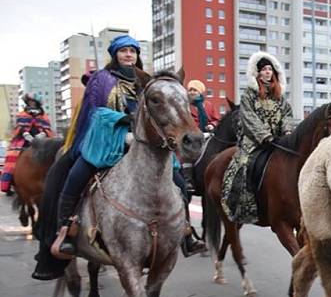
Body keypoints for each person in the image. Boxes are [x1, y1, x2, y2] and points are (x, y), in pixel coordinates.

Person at [32, 35, 204, 279]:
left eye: (133, 51)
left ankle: (185, 233)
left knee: (178, 183)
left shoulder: (147, 82)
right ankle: (65, 231)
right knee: (73, 176)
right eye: (124, 51)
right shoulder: (102, 79)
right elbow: (95, 112)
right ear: (115, 55)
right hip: (108, 142)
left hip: (144, 145)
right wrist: (124, 123)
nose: (129, 55)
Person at [220, 51, 292, 224]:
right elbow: (249, 118)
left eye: (270, 69)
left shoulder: (280, 98)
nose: (267, 72)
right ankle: (242, 205)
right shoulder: (249, 96)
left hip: (278, 141)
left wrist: (288, 133)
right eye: (264, 69)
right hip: (254, 142)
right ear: (258, 73)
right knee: (243, 165)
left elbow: (287, 115)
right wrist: (265, 137)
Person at [1, 93, 54, 194]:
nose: (31, 103)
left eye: (33, 102)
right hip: (23, 140)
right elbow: (19, 127)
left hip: (41, 140)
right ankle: (9, 182)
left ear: (37, 103)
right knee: (13, 158)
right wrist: (25, 134)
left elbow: (47, 128)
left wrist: (42, 134)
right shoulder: (21, 114)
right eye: (29, 102)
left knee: (51, 156)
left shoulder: (44, 116)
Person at [181, 79, 219, 194]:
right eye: (190, 90)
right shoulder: (185, 106)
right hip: (191, 135)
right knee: (188, 151)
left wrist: (212, 126)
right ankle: (188, 180)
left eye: (195, 90)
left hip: (207, 134)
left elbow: (216, 119)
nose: (192, 92)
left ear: (200, 92)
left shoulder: (208, 105)